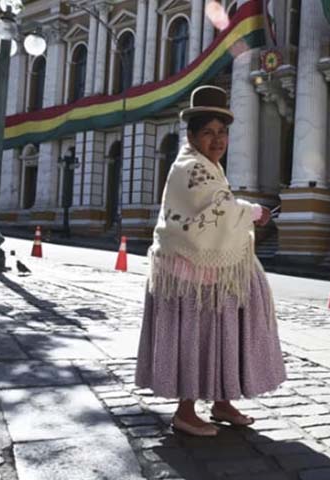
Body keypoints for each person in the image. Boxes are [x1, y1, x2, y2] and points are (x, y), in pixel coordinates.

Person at [135, 85, 286, 437]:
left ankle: (221, 399)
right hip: (189, 272)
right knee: (196, 334)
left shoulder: (207, 165)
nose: (217, 140)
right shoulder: (192, 167)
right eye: (208, 133)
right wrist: (252, 210)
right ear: (191, 135)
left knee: (220, 332)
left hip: (208, 270)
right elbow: (213, 212)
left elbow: (217, 207)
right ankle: (185, 411)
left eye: (222, 133)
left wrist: (244, 210)